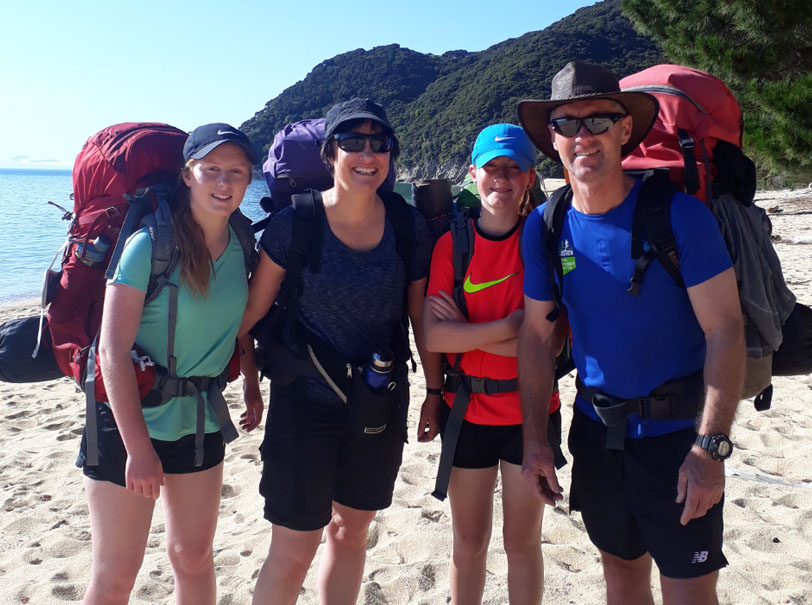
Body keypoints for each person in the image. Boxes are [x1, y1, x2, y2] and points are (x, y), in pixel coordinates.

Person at [516, 61, 745, 605]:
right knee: (619, 575)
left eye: (599, 120)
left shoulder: (680, 217)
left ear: (625, 130)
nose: (583, 136)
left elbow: (726, 330)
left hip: (678, 442)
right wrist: (533, 442)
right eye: (567, 124)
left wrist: (709, 450)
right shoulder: (545, 227)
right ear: (553, 141)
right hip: (597, 435)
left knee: (689, 593)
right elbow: (535, 336)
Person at [238, 98, 437, 605]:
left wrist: (434, 391)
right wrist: (246, 383)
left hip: (377, 403)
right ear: (330, 153)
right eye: (353, 142)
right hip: (303, 405)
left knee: (351, 535)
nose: (367, 153)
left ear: (391, 154)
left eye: (380, 143)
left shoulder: (407, 226)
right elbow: (250, 315)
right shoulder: (295, 225)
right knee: (294, 546)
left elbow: (420, 319)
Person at [76, 123, 261, 604]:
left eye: (236, 173)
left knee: (194, 557)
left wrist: (252, 383)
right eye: (212, 170)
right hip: (127, 420)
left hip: (197, 417)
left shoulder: (242, 242)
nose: (224, 183)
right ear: (187, 175)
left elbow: (239, 322)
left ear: (249, 179)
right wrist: (138, 449)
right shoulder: (148, 245)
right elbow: (110, 351)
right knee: (117, 572)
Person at [417, 123, 567, 604]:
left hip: (532, 412)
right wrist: (512, 329)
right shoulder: (451, 246)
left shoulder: (545, 240)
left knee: (522, 544)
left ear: (530, 177)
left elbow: (555, 343)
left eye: (513, 168)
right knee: (468, 544)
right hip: (469, 413)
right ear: (472, 174)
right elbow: (434, 335)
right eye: (491, 168)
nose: (501, 178)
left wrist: (470, 336)